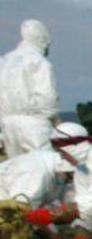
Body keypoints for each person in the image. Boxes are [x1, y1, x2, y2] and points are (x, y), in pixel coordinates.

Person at [0, 20, 58, 157]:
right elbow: (48, 97)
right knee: (42, 166)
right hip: (35, 123)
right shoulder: (39, 61)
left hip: (7, 124)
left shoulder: (5, 61)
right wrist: (53, 119)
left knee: (17, 168)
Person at [0, 149, 74, 239]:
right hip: (7, 200)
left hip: (12, 197)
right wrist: (52, 236)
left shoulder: (52, 163)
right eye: (69, 176)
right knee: (12, 234)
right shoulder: (37, 175)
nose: (69, 181)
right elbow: (22, 211)